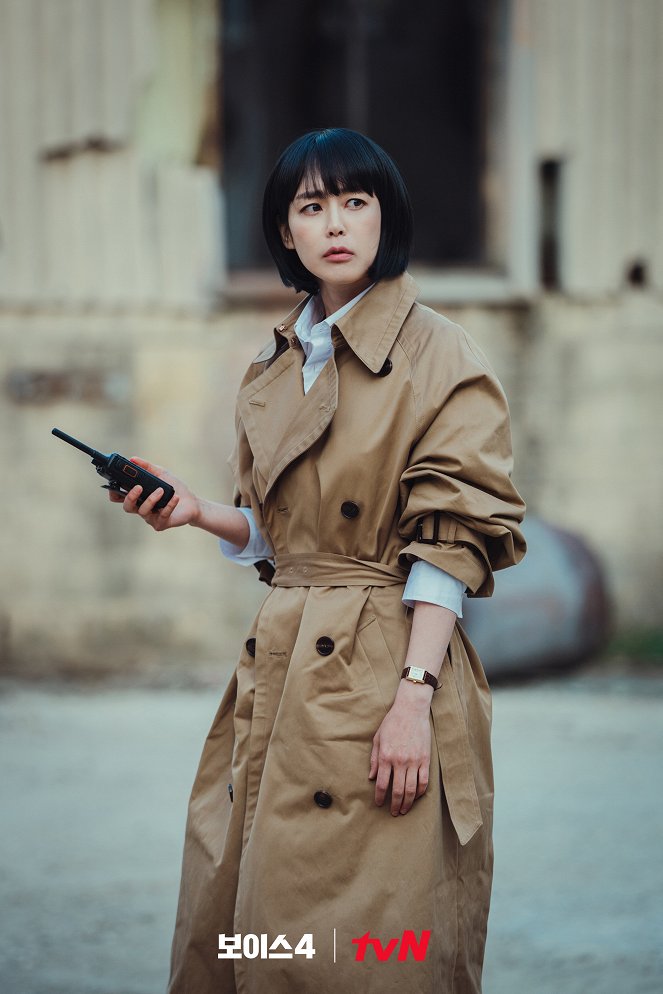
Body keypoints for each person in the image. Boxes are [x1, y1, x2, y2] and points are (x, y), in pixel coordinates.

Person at [111, 128, 526, 994]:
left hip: (386, 663)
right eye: (311, 206)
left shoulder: (438, 353)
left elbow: (450, 541)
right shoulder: (275, 362)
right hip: (281, 669)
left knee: (376, 946)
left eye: (354, 201)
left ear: (385, 217)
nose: (334, 222)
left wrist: (412, 698)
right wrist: (195, 512)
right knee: (252, 925)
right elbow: (286, 536)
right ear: (285, 233)